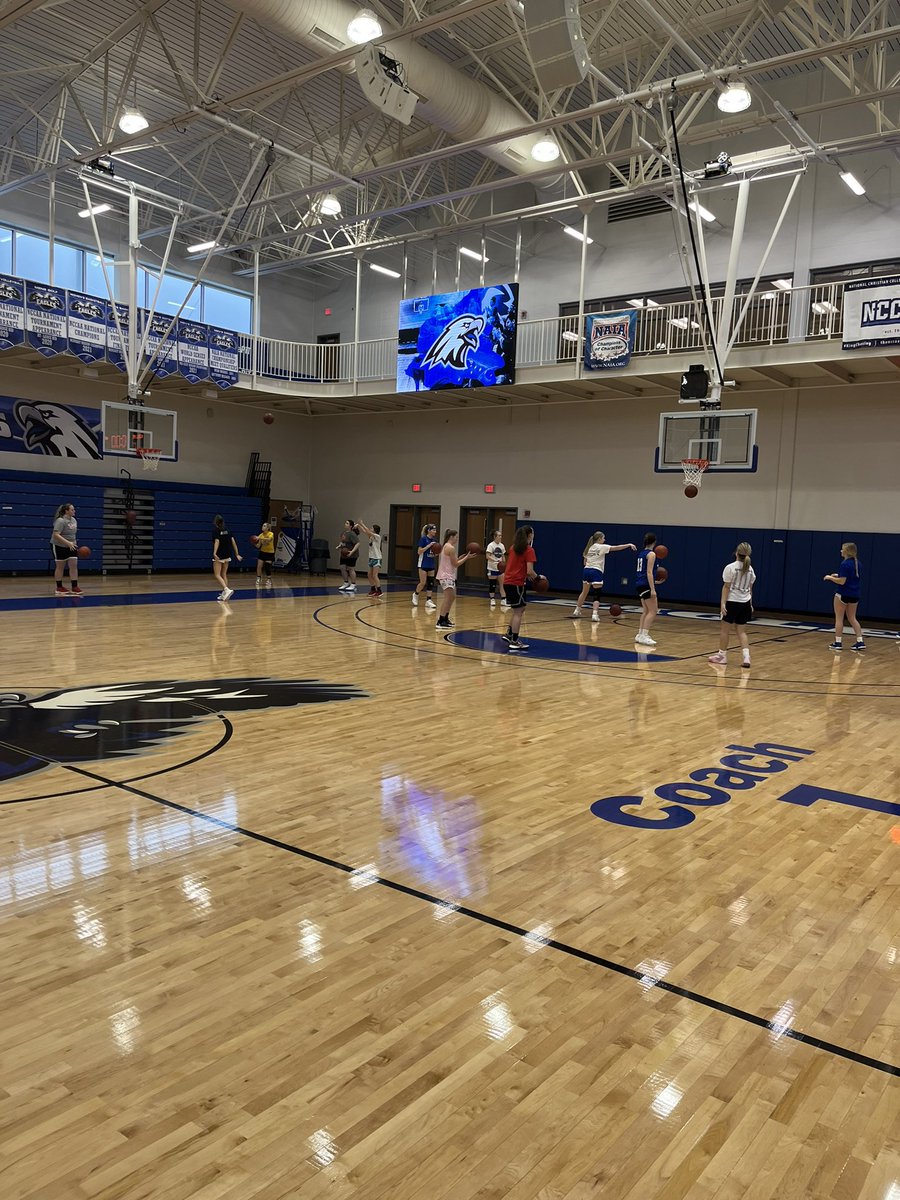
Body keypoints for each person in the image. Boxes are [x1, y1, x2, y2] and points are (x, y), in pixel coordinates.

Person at [708, 542, 756, 668]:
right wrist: (750, 604)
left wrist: (723, 603)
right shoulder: (750, 569)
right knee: (741, 631)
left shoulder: (730, 567)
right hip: (745, 603)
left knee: (725, 630)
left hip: (732, 601)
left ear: (736, 553)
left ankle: (722, 655)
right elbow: (750, 588)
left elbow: (726, 587)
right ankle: (746, 657)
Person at [570, 531, 635, 620]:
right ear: (599, 538)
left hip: (586, 570)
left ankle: (577, 611)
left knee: (584, 592)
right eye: (603, 538)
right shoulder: (601, 547)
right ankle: (595, 614)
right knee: (597, 594)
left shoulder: (589, 548)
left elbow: (584, 562)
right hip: (596, 571)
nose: (604, 540)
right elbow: (616, 548)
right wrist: (628, 545)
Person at [502, 525, 538, 652]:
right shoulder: (529, 550)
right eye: (532, 533)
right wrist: (538, 578)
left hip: (508, 582)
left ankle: (509, 634)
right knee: (518, 611)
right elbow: (530, 571)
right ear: (529, 535)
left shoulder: (513, 548)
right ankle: (515, 641)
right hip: (516, 583)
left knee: (519, 609)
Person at [825, 542, 865, 651]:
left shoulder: (844, 564)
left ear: (847, 551)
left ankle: (838, 643)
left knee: (839, 618)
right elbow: (851, 578)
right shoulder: (858, 564)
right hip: (855, 595)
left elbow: (842, 582)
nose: (841, 551)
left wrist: (830, 578)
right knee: (852, 618)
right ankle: (860, 641)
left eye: (842, 549)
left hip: (843, 594)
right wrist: (837, 575)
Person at [435, 530, 475, 630]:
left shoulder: (446, 546)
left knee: (452, 597)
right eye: (456, 537)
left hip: (448, 575)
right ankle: (440, 621)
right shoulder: (450, 548)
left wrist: (463, 557)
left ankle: (445, 618)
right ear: (451, 537)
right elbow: (456, 564)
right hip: (445, 576)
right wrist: (466, 558)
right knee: (448, 598)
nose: (457, 539)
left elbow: (454, 561)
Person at [51, 502, 82, 596]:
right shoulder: (60, 521)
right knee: (60, 566)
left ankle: (74, 586)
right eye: (72, 509)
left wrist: (73, 544)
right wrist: (67, 543)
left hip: (71, 546)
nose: (74, 511)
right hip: (59, 546)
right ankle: (59, 587)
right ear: (66, 511)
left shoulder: (74, 520)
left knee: (73, 565)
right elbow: (56, 535)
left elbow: (73, 535)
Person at [634, 532, 658, 647]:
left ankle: (640, 634)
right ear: (654, 542)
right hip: (646, 585)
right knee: (653, 611)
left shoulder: (641, 554)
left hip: (639, 584)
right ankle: (644, 635)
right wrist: (653, 589)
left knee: (646, 611)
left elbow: (644, 572)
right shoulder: (651, 554)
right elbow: (648, 572)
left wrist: (655, 581)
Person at [212, 515, 241, 601]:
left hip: (220, 554)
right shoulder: (228, 530)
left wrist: (214, 552)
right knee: (224, 574)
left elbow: (217, 541)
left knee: (217, 574)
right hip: (228, 554)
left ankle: (226, 589)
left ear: (215, 522)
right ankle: (224, 594)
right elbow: (234, 543)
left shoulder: (216, 531)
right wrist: (237, 554)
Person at [356, 518, 385, 598]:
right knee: (369, 575)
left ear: (375, 530)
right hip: (371, 558)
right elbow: (365, 531)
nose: (370, 529)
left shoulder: (377, 536)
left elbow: (367, 531)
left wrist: (362, 523)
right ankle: (373, 589)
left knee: (375, 575)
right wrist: (359, 526)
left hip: (377, 558)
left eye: (371, 528)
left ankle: (379, 591)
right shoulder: (371, 537)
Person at [413, 523, 438, 611]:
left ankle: (429, 600)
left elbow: (433, 553)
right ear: (429, 531)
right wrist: (428, 546)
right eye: (433, 530)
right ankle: (416, 594)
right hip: (423, 563)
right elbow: (419, 552)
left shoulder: (434, 540)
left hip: (431, 563)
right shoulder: (423, 539)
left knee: (431, 582)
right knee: (422, 583)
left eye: (435, 530)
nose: (435, 531)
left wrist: (437, 552)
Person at [485, 530, 509, 610]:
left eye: (501, 535)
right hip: (492, 567)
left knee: (503, 584)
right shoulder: (491, 545)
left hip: (500, 568)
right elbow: (487, 556)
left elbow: (503, 556)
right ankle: (492, 599)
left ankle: (503, 599)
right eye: (499, 535)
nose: (501, 537)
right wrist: (495, 560)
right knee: (493, 584)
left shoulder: (502, 545)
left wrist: (504, 563)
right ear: (495, 537)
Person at [335, 519, 360, 592]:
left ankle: (353, 584)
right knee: (342, 567)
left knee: (350, 569)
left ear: (350, 526)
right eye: (345, 522)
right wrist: (339, 546)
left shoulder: (352, 534)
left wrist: (352, 551)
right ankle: (346, 582)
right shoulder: (343, 533)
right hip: (344, 554)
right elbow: (342, 542)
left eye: (347, 523)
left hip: (352, 555)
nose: (345, 524)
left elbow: (358, 543)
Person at [254, 522, 276, 589]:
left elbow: (269, 539)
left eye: (264, 526)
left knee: (267, 566)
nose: (262, 527)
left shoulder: (271, 534)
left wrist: (259, 538)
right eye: (262, 526)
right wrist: (254, 543)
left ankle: (269, 579)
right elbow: (258, 546)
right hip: (262, 552)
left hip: (270, 553)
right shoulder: (260, 535)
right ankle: (258, 578)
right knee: (259, 566)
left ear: (267, 528)